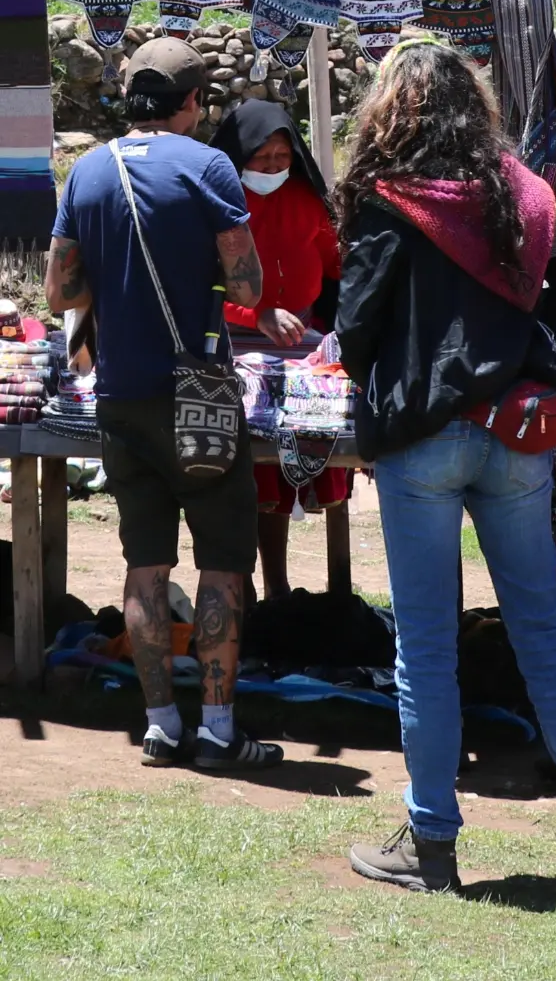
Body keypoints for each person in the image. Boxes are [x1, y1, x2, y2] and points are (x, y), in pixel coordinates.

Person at [334, 39, 556, 895]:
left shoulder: (387, 198)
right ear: (475, 106)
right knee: (544, 632)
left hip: (423, 440)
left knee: (424, 645)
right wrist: (520, 327)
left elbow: (353, 330)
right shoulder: (524, 195)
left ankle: (432, 847)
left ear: (393, 108)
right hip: (515, 434)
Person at [44, 39, 283, 772]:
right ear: (191, 102)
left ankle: (158, 725)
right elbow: (247, 288)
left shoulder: (87, 170)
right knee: (220, 566)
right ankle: (216, 729)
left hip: (120, 394)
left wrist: (114, 291)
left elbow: (58, 292)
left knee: (144, 566)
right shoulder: (207, 166)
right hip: (197, 395)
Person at [211, 99, 346, 598]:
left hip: (301, 345)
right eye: (261, 157)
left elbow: (335, 263)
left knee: (283, 468)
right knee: (247, 471)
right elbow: (202, 283)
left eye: (281, 156)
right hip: (235, 345)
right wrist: (256, 315)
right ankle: (241, 588)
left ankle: (279, 588)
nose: (272, 167)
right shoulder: (218, 204)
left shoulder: (309, 200)